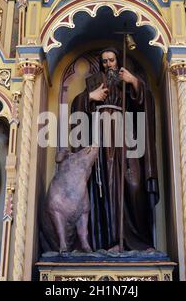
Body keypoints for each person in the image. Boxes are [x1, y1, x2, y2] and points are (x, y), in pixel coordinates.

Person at [71, 47, 159, 252]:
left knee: (134, 185)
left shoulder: (126, 80)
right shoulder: (93, 82)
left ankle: (132, 240)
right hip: (100, 143)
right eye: (104, 61)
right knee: (102, 188)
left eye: (111, 60)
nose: (108, 64)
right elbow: (77, 108)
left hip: (126, 141)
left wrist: (134, 82)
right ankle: (105, 242)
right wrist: (90, 98)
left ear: (118, 61)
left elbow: (145, 103)